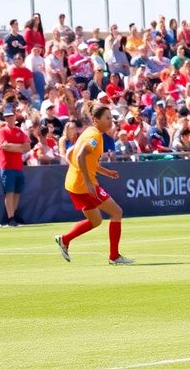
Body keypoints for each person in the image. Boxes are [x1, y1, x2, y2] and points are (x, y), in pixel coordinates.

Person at [55, 104, 133, 265]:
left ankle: (65, 239)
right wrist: (89, 181)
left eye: (111, 118)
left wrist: (106, 172)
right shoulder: (95, 137)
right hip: (84, 185)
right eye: (107, 118)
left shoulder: (90, 132)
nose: (110, 121)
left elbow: (87, 160)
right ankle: (114, 257)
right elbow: (81, 156)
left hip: (74, 184)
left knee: (96, 221)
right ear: (96, 120)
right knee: (117, 212)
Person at [0, 106, 30, 226]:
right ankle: (10, 217)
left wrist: (15, 147)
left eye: (11, 116)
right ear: (5, 118)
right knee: (9, 192)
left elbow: (28, 147)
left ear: (14, 116)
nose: (9, 118)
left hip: (18, 166)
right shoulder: (1, 131)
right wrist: (20, 147)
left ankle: (12, 215)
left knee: (17, 192)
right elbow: (5, 146)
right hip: (7, 166)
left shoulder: (19, 131)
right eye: (7, 116)